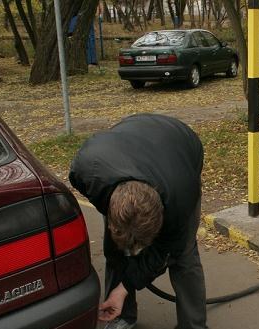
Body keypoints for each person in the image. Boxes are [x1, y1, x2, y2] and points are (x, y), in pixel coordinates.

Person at [69, 114, 207, 329]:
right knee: (114, 249)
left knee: (183, 256)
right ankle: (121, 315)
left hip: (179, 143)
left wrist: (128, 283)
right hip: (128, 137)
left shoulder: (181, 199)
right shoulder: (86, 171)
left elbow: (166, 250)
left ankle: (193, 325)